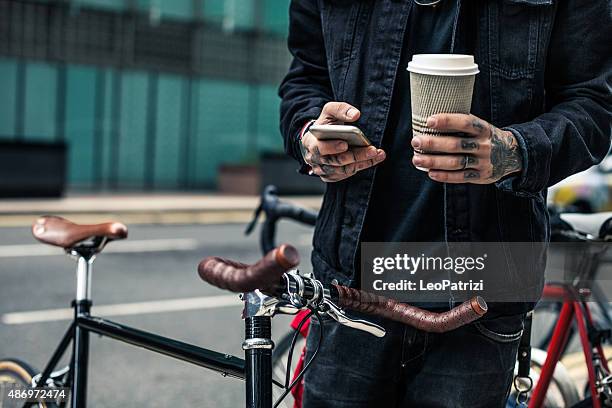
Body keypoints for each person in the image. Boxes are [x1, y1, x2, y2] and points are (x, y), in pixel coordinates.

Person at [278, 0, 611, 407]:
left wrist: (514, 151)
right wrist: (309, 134)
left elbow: (593, 106)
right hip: (352, 286)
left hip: (483, 289)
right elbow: (306, 78)